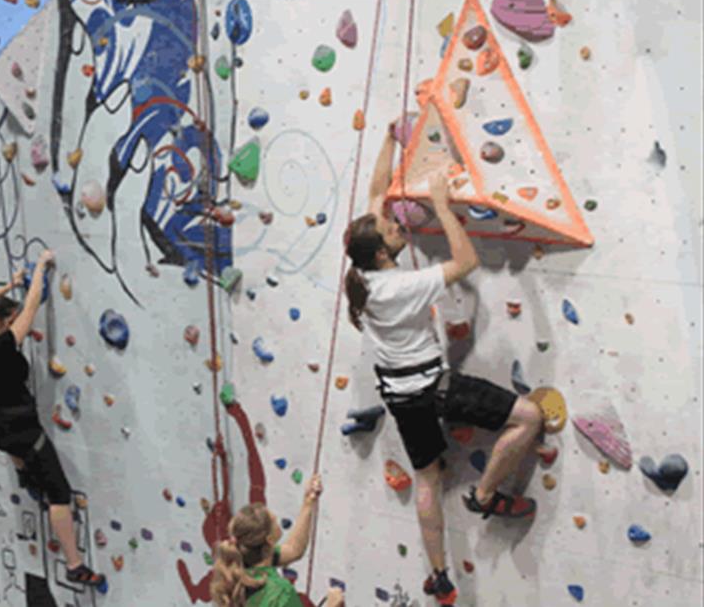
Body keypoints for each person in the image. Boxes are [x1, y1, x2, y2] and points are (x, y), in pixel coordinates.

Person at [343, 129, 543, 605]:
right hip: (435, 389)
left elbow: (376, 193)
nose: (398, 226)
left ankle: (439, 577)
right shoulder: (398, 286)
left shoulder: (362, 275)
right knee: (530, 417)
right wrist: (443, 204)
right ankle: (487, 495)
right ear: (382, 253)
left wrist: (392, 138)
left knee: (428, 478)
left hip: (401, 397)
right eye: (393, 231)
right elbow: (467, 261)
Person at [0, 250, 106, 588]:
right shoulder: (2, 345)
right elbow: (31, 309)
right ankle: (75, 564)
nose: (16, 322)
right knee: (58, 493)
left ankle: (26, 476)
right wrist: (41, 267)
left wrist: (10, 284)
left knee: (20, 454)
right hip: (20, 429)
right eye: (9, 319)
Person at [210, 474, 343, 607]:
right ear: (269, 539)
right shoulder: (279, 592)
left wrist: (308, 502)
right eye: (274, 521)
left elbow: (294, 549)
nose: (276, 520)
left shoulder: (238, 566)